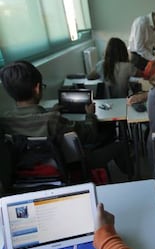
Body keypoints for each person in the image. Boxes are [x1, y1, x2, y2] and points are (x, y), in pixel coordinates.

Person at [0, 61, 133, 180]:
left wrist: (49, 112)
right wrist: (90, 115)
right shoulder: (53, 121)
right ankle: (132, 179)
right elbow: (90, 136)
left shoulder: (4, 122)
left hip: (26, 176)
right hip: (68, 166)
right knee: (122, 145)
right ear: (37, 88)